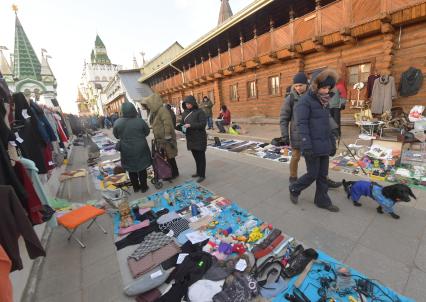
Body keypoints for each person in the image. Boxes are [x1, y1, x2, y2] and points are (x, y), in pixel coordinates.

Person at [289, 69, 340, 212]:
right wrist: (306, 145)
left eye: (328, 88)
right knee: (312, 174)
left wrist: (332, 141)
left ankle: (322, 200)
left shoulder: (323, 101)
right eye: (323, 87)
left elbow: (326, 124)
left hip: (323, 144)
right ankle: (294, 188)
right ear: (315, 86)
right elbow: (302, 125)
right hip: (312, 145)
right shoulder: (305, 102)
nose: (326, 91)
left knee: (322, 175)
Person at [113, 102, 151, 193]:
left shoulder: (118, 122)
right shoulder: (140, 121)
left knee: (131, 168)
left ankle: (136, 187)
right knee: (142, 168)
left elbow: (116, 136)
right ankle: (144, 187)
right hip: (141, 147)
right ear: (133, 110)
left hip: (126, 149)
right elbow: (147, 132)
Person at [280, 72, 309, 185]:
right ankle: (293, 177)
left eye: (300, 85)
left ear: (306, 84)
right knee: (295, 156)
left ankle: (321, 177)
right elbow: (283, 118)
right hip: (296, 134)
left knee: (313, 158)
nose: (298, 88)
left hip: (310, 134)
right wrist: (285, 136)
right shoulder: (290, 98)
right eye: (296, 86)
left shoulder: (312, 96)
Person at [145, 94, 179, 179]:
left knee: (170, 156)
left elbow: (167, 123)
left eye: (149, 104)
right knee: (165, 157)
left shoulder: (162, 110)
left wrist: (167, 135)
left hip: (167, 139)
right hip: (160, 139)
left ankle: (174, 173)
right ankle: (169, 172)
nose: (148, 106)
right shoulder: (155, 112)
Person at [176, 95, 207, 183]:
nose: (187, 105)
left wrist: (191, 125)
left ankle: (202, 175)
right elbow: (182, 124)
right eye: (186, 104)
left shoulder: (200, 112)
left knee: (201, 158)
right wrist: (178, 127)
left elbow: (203, 124)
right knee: (196, 157)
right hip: (191, 138)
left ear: (193, 103)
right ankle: (198, 172)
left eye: (189, 104)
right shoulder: (185, 113)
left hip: (199, 138)